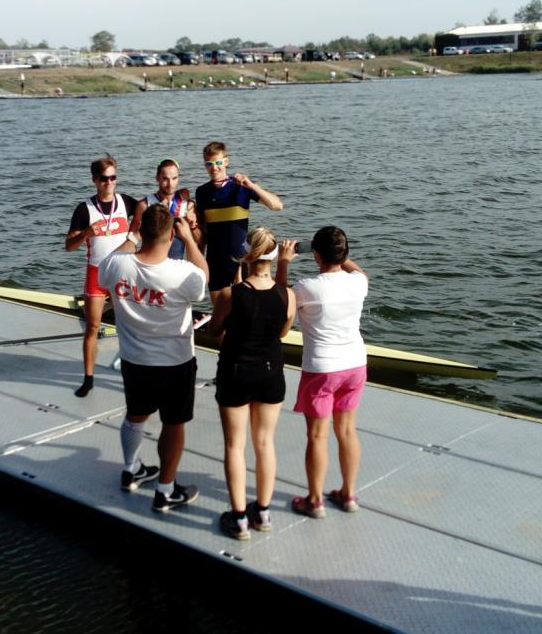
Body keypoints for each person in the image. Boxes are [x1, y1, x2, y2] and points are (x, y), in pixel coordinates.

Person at [98, 204, 208, 512]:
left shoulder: (116, 265)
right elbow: (204, 276)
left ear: (142, 232)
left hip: (134, 360)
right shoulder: (182, 272)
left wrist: (133, 236)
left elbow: (109, 263)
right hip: (175, 363)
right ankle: (165, 490)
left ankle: (131, 469)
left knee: (135, 415)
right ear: (171, 236)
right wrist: (190, 240)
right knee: (173, 424)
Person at [208, 227, 296, 540]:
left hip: (235, 372)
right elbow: (282, 332)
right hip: (271, 372)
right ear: (274, 256)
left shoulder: (232, 295)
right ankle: (263, 511)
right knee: (265, 443)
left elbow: (215, 329)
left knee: (235, 445)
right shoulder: (288, 295)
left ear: (247, 255)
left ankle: (239, 519)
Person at [277, 226, 369, 519]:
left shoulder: (306, 287)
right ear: (344, 254)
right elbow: (358, 271)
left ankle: (315, 501)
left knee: (317, 435)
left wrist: (283, 262)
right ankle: (348, 494)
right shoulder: (359, 283)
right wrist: (340, 254)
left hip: (322, 369)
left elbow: (281, 301)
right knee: (347, 431)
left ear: (315, 255)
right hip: (355, 365)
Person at [65, 156, 139, 398]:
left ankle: (133, 375)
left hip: (121, 272)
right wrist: (86, 233)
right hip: (96, 273)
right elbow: (69, 246)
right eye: (104, 179)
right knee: (93, 327)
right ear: (95, 180)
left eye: (113, 178)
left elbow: (149, 214)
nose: (109, 183)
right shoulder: (84, 209)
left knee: (129, 327)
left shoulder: (126, 202)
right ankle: (88, 380)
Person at [194, 141, 283, 307]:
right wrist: (199, 257)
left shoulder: (241, 187)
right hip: (215, 261)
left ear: (226, 161)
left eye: (218, 162)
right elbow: (203, 231)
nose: (214, 168)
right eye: (209, 164)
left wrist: (252, 186)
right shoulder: (202, 192)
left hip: (241, 261)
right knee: (220, 310)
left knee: (245, 310)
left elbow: (277, 206)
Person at [131, 159, 201, 261]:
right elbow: (132, 239)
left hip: (176, 265)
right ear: (157, 178)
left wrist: (193, 226)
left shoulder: (186, 204)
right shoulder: (145, 205)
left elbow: (199, 240)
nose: (170, 184)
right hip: (150, 265)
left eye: (174, 178)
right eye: (165, 179)